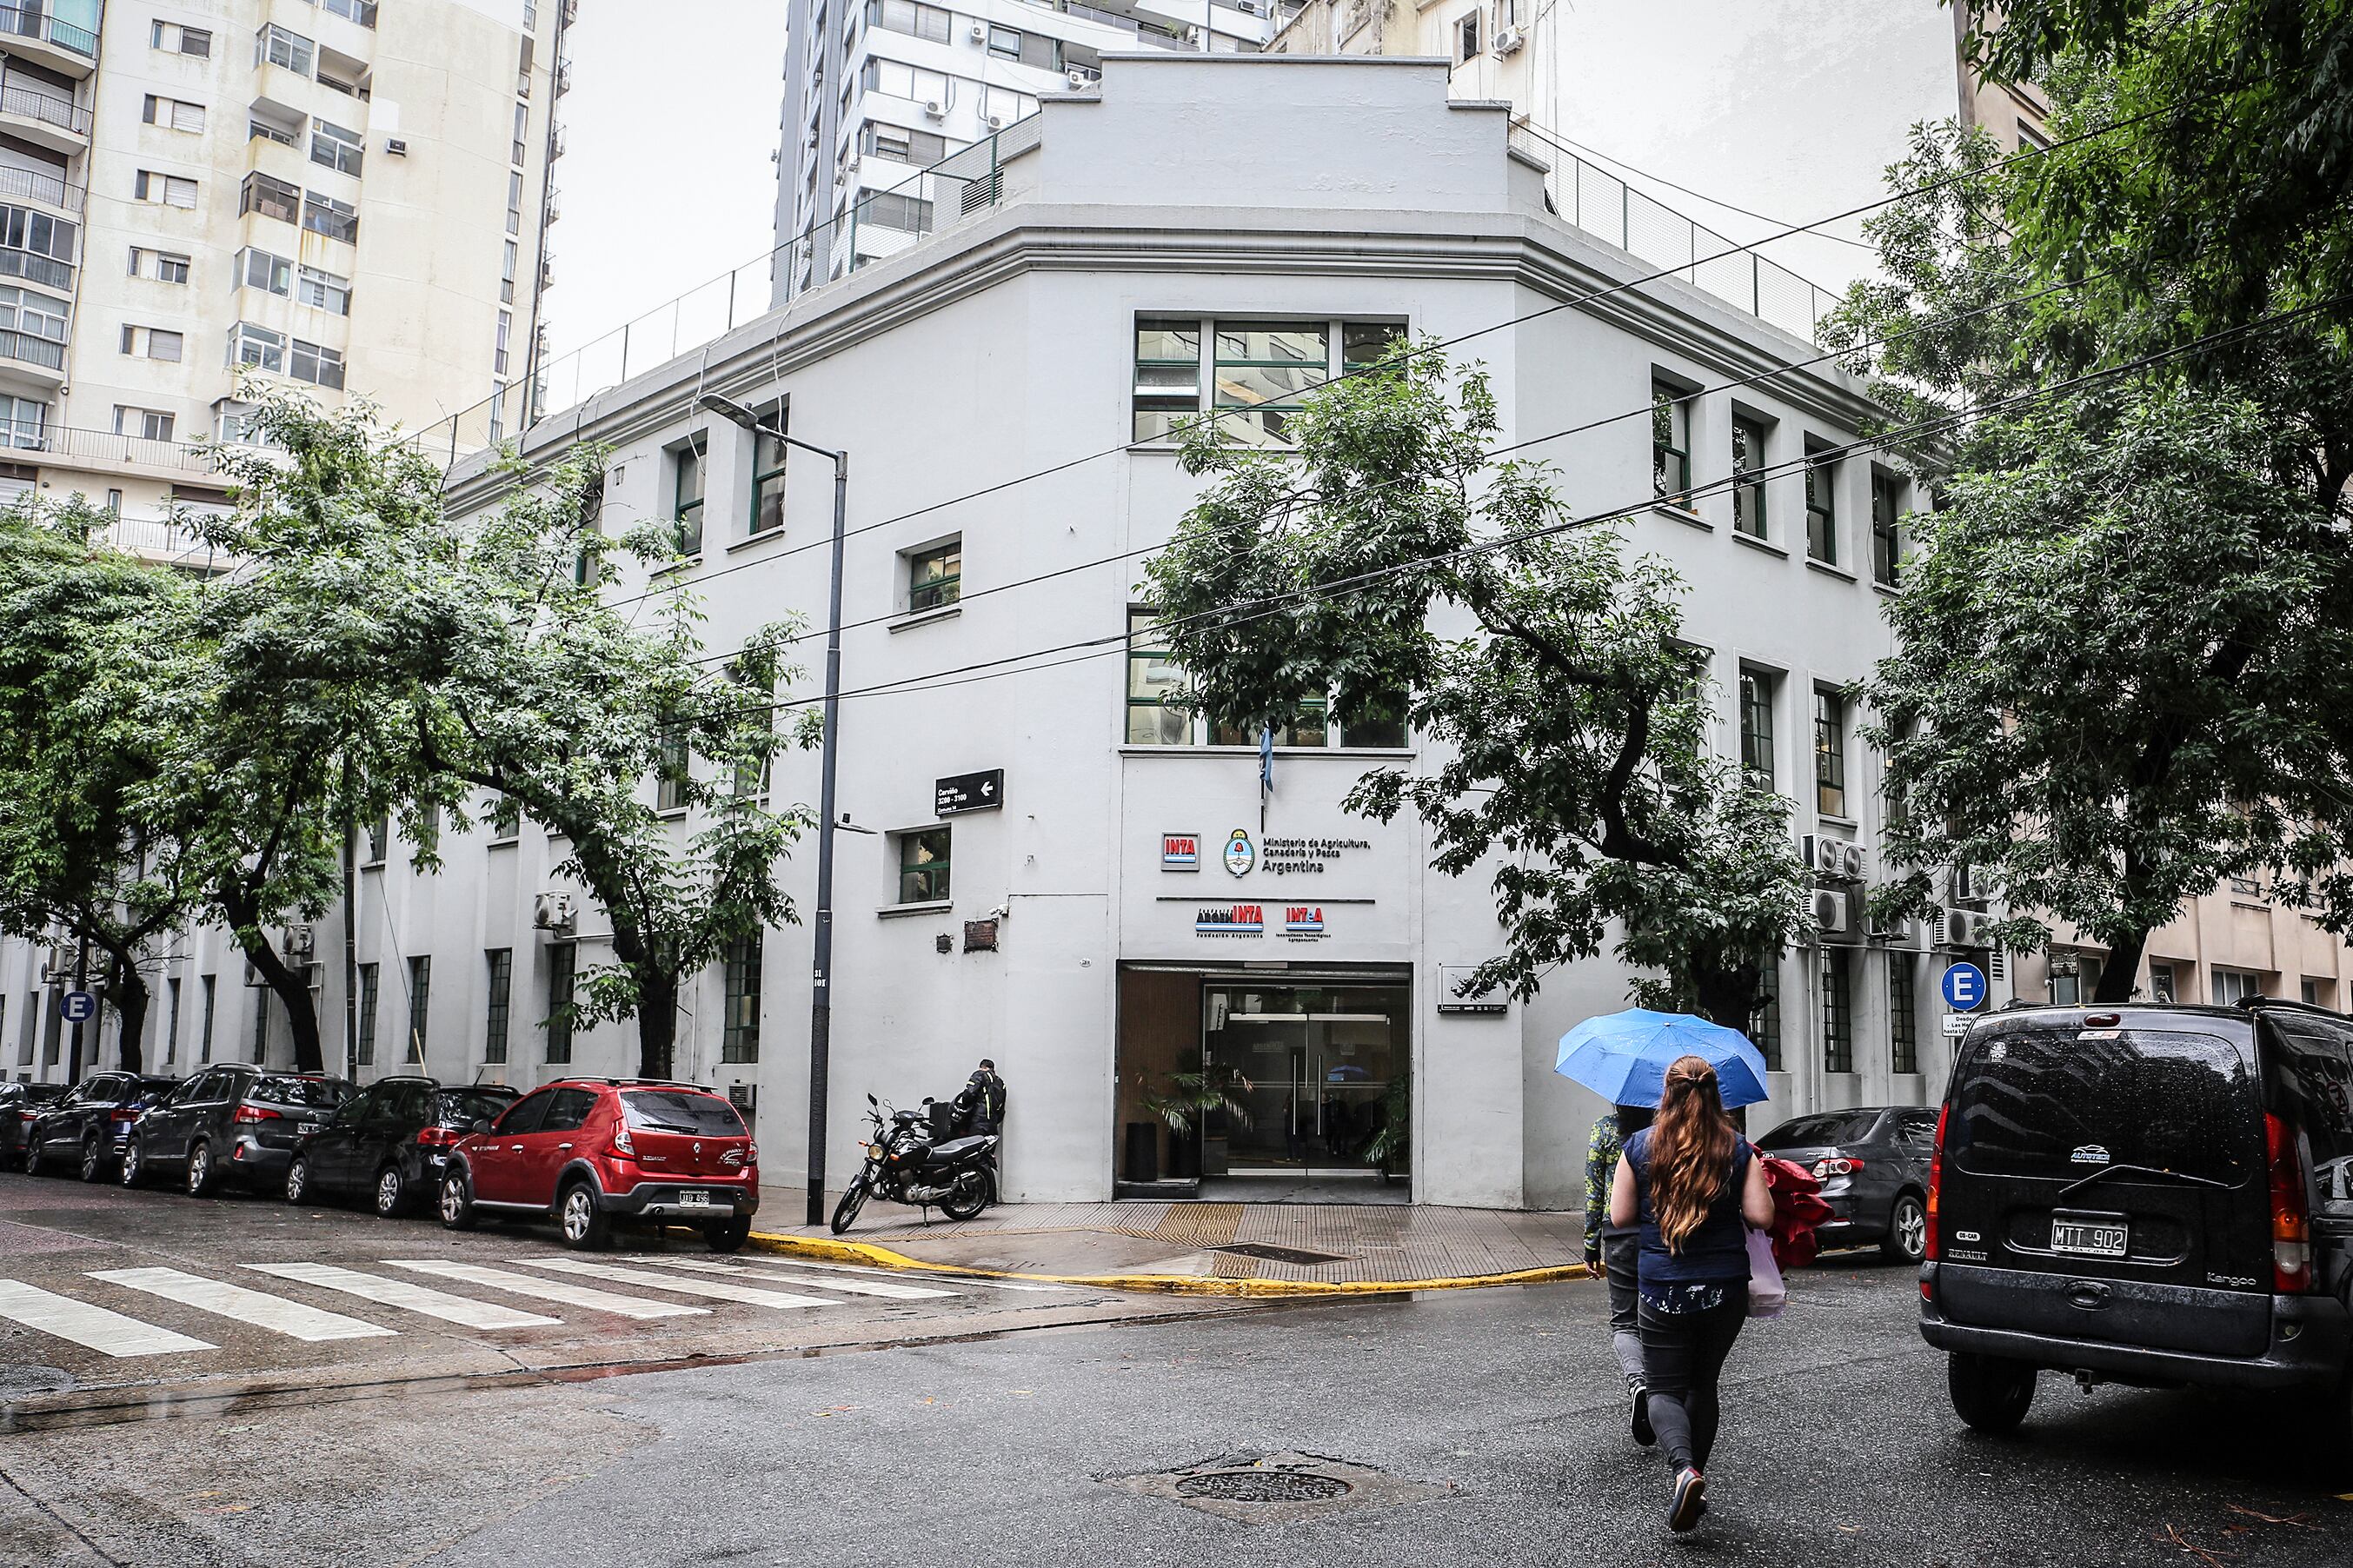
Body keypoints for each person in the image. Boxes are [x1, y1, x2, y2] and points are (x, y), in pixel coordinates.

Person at [1610, 1055, 1774, 1533]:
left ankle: (1684, 1470)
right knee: (1703, 1385)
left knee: (1663, 1387)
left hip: (1663, 1287)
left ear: (1667, 1093)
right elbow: (1762, 1217)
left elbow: (1620, 1217)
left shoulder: (1639, 1146)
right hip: (1723, 1289)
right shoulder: (1737, 1149)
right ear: (1714, 1093)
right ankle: (1693, 1478)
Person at [1584, 1102, 1656, 1446]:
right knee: (1658, 1318)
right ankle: (1663, 1390)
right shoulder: (1662, 1132)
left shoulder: (1604, 1130)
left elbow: (1593, 1190)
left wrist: (1590, 1246)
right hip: (1660, 1233)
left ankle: (1638, 1383)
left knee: (1625, 1321)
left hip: (1619, 1236)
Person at [953, 1059, 1007, 1137]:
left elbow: (969, 1094)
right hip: (993, 1126)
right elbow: (1002, 1109)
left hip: (977, 1122)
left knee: (972, 1147)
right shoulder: (1001, 1083)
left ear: (981, 1067)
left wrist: (964, 1107)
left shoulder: (979, 1075)